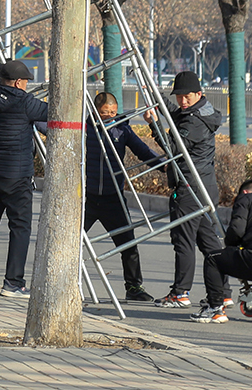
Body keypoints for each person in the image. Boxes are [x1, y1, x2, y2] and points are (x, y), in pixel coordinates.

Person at [143, 70, 228, 321]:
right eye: (178, 96)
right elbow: (175, 111)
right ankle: (223, 293)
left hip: (191, 187)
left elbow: (173, 149)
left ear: (199, 94)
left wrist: (153, 124)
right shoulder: (199, 111)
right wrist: (156, 95)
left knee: (183, 239)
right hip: (204, 186)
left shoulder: (194, 122)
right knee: (209, 243)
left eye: (186, 96)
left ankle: (181, 293)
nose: (182, 101)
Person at [0, 59, 50, 297]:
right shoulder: (25, 103)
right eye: (24, 82)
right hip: (18, 174)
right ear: (17, 82)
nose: (25, 86)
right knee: (20, 228)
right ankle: (13, 282)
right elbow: (53, 111)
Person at [85, 91, 162, 303]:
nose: (109, 116)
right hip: (86, 198)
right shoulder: (84, 128)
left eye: (112, 112)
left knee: (128, 243)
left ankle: (134, 287)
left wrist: (165, 167)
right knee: (70, 242)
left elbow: (143, 152)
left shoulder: (122, 129)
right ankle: (64, 282)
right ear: (95, 111)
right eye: (104, 113)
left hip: (114, 198)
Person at [207, 179, 252, 322]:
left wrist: (231, 244)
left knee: (212, 258)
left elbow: (237, 230)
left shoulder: (245, 198)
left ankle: (215, 308)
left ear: (245, 192)